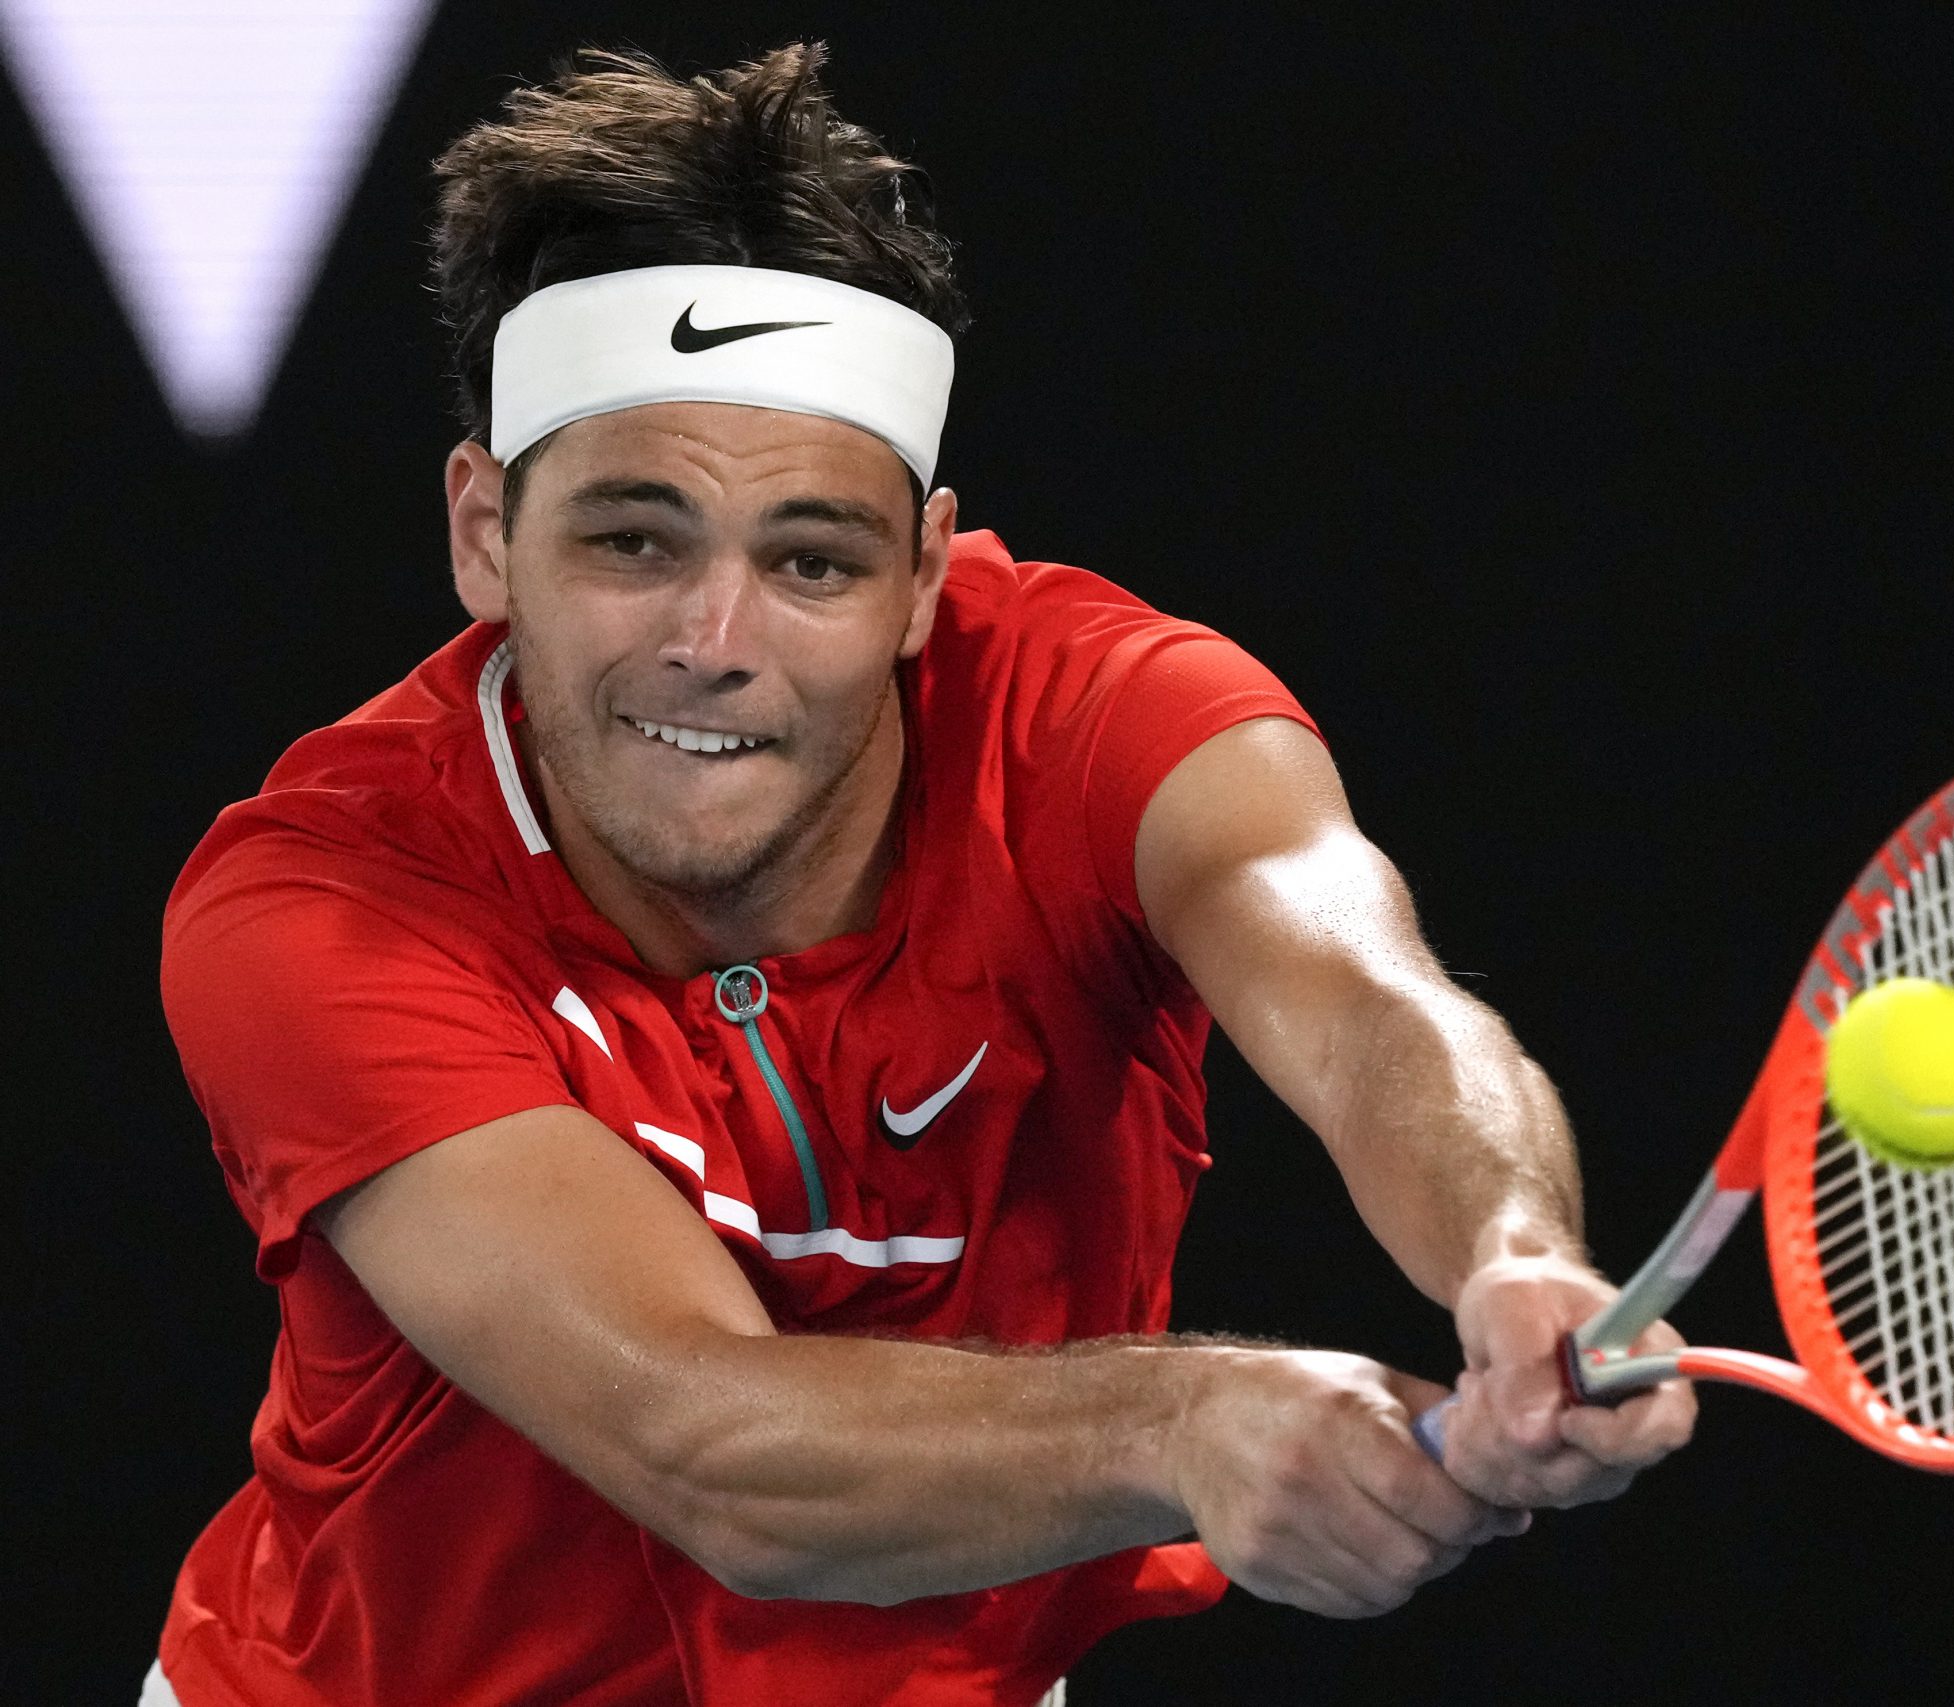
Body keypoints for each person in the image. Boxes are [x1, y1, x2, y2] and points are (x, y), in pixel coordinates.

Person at [146, 43, 1694, 1707]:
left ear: (921, 579)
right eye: (632, 540)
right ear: (481, 536)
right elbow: (709, 1443)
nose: (713, 645)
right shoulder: (315, 903)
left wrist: (1510, 1249)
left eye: (811, 559)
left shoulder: (1107, 718)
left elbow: (1369, 1003)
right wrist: (1184, 1420)